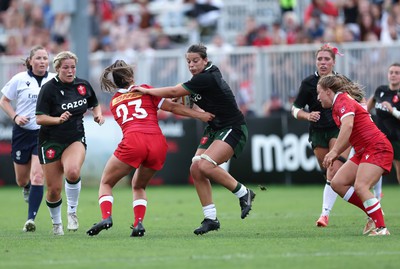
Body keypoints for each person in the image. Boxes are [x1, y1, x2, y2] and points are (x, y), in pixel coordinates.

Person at [133, 43, 256, 235]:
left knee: (205, 165)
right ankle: (211, 218)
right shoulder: (199, 79)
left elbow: (174, 92)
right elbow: (185, 99)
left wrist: (148, 91)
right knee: (195, 168)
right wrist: (187, 104)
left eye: (195, 61)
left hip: (232, 127)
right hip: (214, 127)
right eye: (188, 61)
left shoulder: (208, 76)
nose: (191, 65)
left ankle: (243, 193)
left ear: (205, 60)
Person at [86, 60, 215, 237]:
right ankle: (138, 223)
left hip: (133, 140)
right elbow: (173, 107)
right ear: (131, 77)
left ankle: (106, 217)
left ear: (115, 82)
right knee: (139, 185)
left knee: (106, 182)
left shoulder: (115, 101)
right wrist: (200, 115)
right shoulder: (145, 89)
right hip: (157, 142)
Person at [35, 51, 104, 236]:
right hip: (50, 141)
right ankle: (57, 224)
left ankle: (72, 212)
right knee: (53, 190)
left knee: (73, 172)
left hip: (74, 137)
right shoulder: (48, 89)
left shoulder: (83, 85)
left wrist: (98, 114)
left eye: (73, 67)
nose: (70, 70)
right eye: (65, 67)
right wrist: (57, 120)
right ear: (57, 69)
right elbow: (39, 118)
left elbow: (94, 103)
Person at [317, 74, 392, 236]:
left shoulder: (342, 101)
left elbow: (348, 126)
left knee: (361, 186)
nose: (318, 97)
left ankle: (381, 228)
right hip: (364, 150)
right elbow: (349, 133)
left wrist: (335, 151)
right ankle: (372, 215)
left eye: (319, 93)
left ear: (328, 91)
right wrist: (335, 153)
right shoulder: (339, 103)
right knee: (337, 183)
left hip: (376, 147)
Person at [291, 43, 351, 227]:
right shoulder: (308, 83)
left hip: (337, 129)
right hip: (317, 132)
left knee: (332, 168)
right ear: (315, 62)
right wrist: (307, 115)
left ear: (333, 62)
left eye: (327, 59)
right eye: (320, 59)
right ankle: (361, 190)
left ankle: (324, 214)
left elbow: (358, 100)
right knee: (328, 171)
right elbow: (295, 109)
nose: (323, 62)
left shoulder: (341, 81)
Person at [0, 45, 56, 232]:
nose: (42, 61)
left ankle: (30, 219)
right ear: (30, 61)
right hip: (22, 133)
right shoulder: (19, 79)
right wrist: (16, 117)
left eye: (45, 58)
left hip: (44, 133)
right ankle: (26, 188)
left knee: (38, 176)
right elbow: (4, 101)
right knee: (22, 180)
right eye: (38, 58)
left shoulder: (54, 80)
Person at [367, 63, 400, 185]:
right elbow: (366, 109)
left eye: (397, 73)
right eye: (391, 72)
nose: (393, 75)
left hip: (396, 138)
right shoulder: (381, 90)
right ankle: (376, 198)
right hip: (379, 137)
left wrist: (392, 110)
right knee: (375, 167)